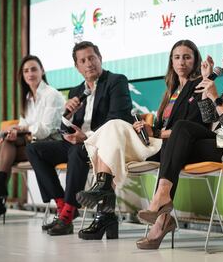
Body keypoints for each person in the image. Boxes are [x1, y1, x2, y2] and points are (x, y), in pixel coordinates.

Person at [135, 32, 223, 249]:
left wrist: (216, 98)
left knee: (172, 147)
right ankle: (162, 203)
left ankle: (161, 215)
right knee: (180, 131)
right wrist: (206, 84)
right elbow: (209, 118)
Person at [76, 39, 207, 240]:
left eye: (187, 57)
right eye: (177, 57)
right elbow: (164, 127)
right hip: (157, 143)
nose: (181, 62)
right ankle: (104, 206)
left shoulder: (198, 86)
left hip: (176, 146)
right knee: (110, 139)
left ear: (195, 60)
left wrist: (155, 132)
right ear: (171, 62)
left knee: (113, 128)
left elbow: (190, 129)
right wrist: (147, 128)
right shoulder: (171, 91)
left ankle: (103, 199)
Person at [26, 41, 133, 236]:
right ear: (77, 67)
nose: (89, 63)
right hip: (77, 142)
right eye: (83, 60)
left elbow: (118, 119)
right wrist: (65, 115)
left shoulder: (116, 81)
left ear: (100, 58)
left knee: (77, 149)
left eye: (92, 58)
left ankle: (66, 216)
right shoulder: (77, 92)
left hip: (101, 144)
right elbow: (63, 130)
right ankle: (63, 206)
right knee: (34, 149)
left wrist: (87, 137)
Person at [0, 55, 65, 225]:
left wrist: (22, 130)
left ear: (42, 71)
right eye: (26, 71)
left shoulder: (51, 94)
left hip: (53, 145)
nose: (30, 73)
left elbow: (44, 131)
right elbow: (25, 124)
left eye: (33, 69)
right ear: (22, 75)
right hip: (34, 144)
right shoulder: (28, 98)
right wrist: (15, 131)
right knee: (8, 140)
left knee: (8, 148)